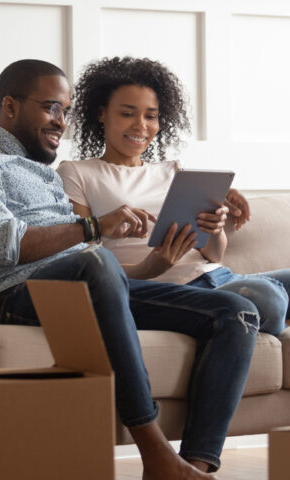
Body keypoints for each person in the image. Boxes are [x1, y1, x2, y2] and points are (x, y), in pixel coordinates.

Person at [0, 59, 279, 480]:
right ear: (9, 106)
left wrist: (149, 265)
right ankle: (154, 450)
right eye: (50, 108)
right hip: (14, 294)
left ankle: (195, 466)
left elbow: (103, 278)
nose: (61, 122)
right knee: (96, 257)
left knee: (234, 311)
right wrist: (94, 226)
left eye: (66, 111)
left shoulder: (41, 173)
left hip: (81, 284)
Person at [57, 56, 290, 335]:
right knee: (268, 297)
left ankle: (256, 317)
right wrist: (149, 266)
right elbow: (84, 261)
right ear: (101, 113)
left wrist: (214, 229)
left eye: (151, 116)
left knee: (266, 294)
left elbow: (213, 254)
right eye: (128, 113)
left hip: (217, 277)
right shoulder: (76, 173)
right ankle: (263, 313)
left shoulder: (173, 170)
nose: (141, 125)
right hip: (172, 291)